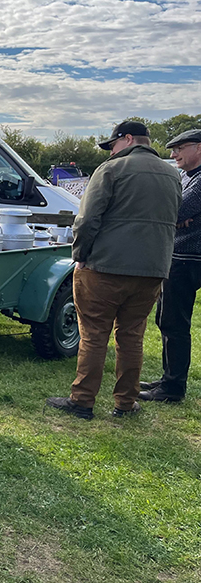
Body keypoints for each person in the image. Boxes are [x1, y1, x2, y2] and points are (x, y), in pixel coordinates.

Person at [46, 120, 182, 420]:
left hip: (105, 267)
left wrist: (79, 254)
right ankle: (125, 403)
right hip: (152, 270)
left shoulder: (111, 170)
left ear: (128, 139)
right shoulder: (173, 174)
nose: (111, 152)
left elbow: (87, 218)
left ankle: (82, 401)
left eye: (113, 145)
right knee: (132, 336)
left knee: (94, 335)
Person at [139, 129, 201, 403]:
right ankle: (169, 378)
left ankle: (173, 387)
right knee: (167, 320)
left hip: (187, 260)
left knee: (174, 322)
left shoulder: (199, 181)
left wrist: (174, 218)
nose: (173, 154)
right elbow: (175, 213)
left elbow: (171, 212)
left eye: (180, 148)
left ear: (198, 149)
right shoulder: (189, 178)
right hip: (180, 257)